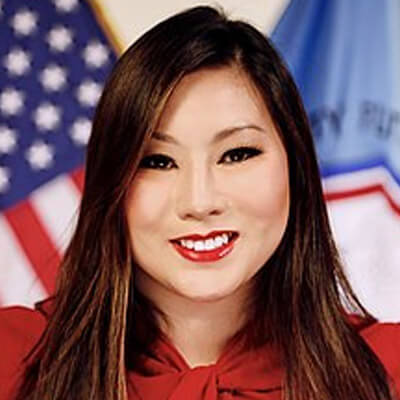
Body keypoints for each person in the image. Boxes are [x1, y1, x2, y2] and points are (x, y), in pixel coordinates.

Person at [0, 5, 399, 400]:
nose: (200, 201)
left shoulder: (388, 369)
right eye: (157, 161)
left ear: (295, 166)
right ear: (110, 181)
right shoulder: (13, 357)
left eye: (237, 154)